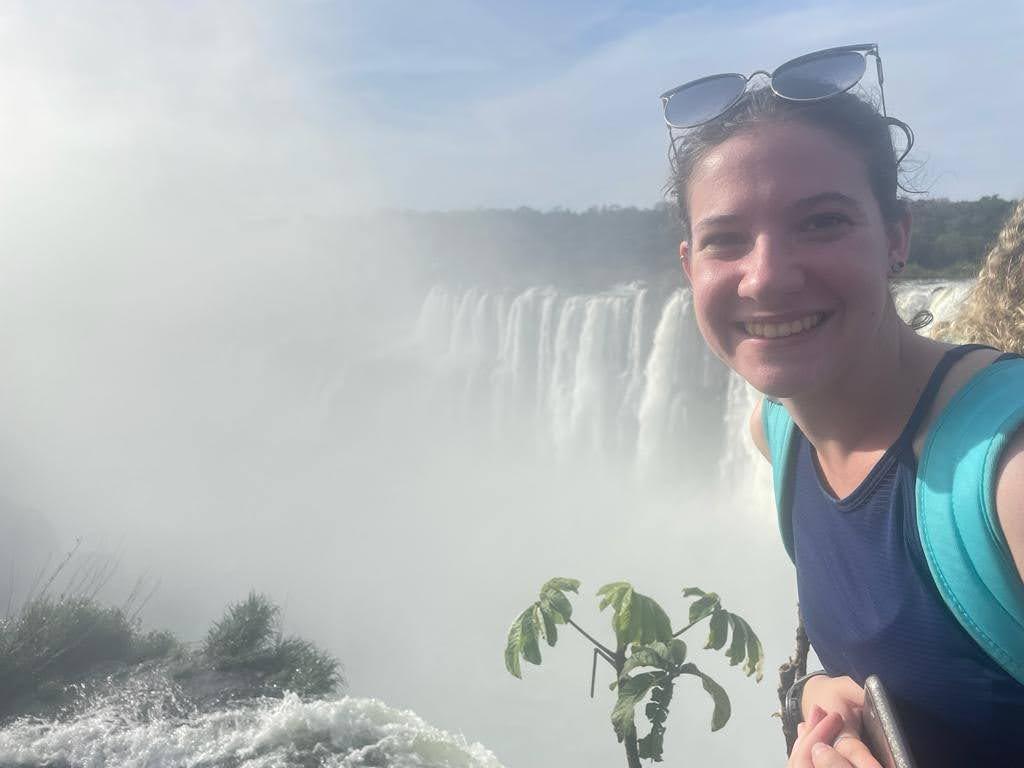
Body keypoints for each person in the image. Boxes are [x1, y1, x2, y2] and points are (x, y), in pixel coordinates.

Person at [660, 45, 1024, 767]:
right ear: (689, 265)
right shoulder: (778, 434)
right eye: (725, 240)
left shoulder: (1007, 479)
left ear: (896, 238)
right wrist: (824, 695)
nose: (766, 277)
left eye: (821, 222)